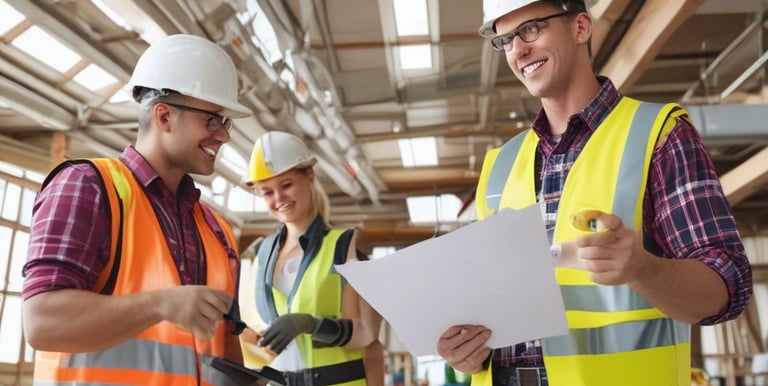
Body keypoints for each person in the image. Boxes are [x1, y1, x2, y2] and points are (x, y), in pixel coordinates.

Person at [436, 1, 753, 386]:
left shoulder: (659, 135)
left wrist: (644, 268)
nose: (518, 50)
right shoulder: (499, 167)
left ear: (581, 27)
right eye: (505, 39)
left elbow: (728, 287)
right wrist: (469, 353)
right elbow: (489, 307)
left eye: (531, 29)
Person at [22, 34, 252, 385]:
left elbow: (226, 351)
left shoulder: (216, 230)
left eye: (225, 122)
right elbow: (42, 323)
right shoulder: (89, 187)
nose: (223, 136)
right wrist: (161, 304)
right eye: (212, 120)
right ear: (164, 116)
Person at [239, 130, 384, 386]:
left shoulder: (344, 246)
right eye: (267, 192)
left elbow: (367, 334)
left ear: (310, 178)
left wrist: (311, 323)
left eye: (286, 185)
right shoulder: (262, 252)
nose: (278, 199)